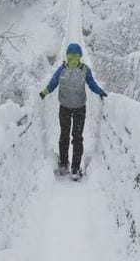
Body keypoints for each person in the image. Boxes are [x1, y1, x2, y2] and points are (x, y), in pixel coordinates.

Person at [39, 43, 107, 180]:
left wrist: (44, 92)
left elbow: (53, 82)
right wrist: (101, 92)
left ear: (67, 56)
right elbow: (92, 85)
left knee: (64, 135)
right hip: (79, 108)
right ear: (80, 56)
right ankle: (75, 168)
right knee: (77, 137)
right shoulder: (84, 69)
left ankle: (64, 164)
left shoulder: (62, 69)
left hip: (64, 107)